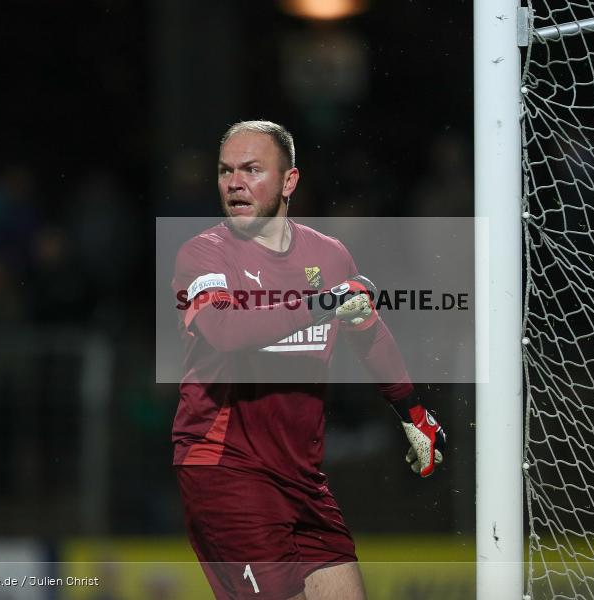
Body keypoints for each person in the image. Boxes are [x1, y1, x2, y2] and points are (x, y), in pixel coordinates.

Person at [170, 120, 447, 600]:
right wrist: (321, 302)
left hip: (301, 477)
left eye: (252, 170)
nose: (234, 182)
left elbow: (367, 332)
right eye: (225, 171)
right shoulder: (204, 255)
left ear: (289, 181)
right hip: (226, 470)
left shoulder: (329, 255)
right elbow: (225, 330)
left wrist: (412, 412)